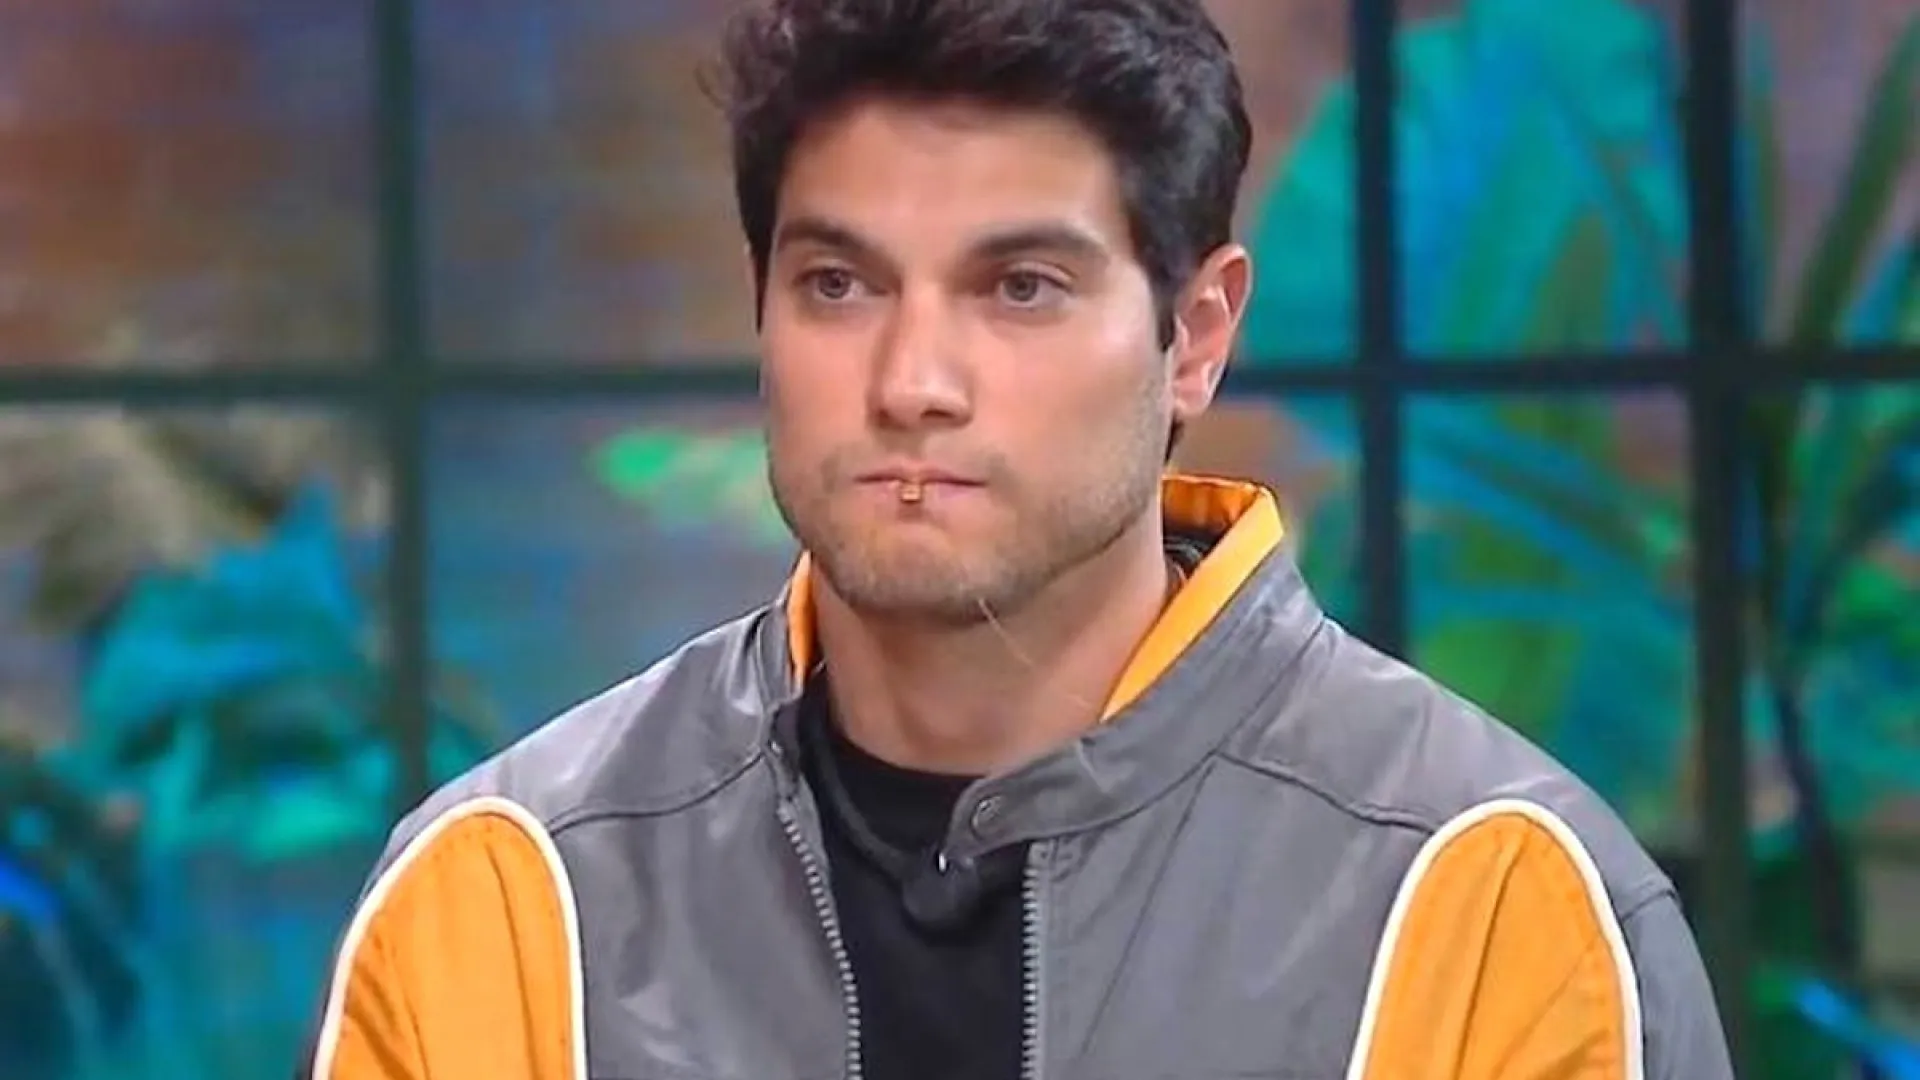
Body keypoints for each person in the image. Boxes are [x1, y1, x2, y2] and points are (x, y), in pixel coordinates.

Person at [303, 1, 1735, 1078]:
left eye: (1022, 287)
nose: (911, 381)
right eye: (839, 283)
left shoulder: (1491, 904)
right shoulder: (505, 903)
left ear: (1195, 337)